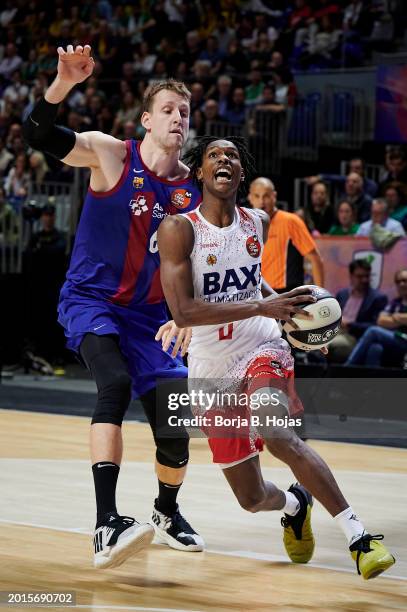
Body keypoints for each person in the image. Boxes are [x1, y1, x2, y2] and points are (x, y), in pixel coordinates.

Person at [157, 136, 395, 580]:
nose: (224, 159)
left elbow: (253, 282)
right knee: (250, 498)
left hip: (261, 344)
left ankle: (358, 537)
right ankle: (294, 503)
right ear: (201, 173)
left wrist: (289, 312)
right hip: (210, 368)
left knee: (277, 432)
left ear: (240, 175)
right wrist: (262, 304)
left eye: (232, 156)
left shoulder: (258, 222)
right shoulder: (178, 229)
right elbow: (184, 311)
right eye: (214, 155)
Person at [22, 44, 204, 569]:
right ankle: (105, 524)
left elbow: (197, 264)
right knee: (115, 385)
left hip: (152, 319)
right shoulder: (111, 154)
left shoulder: (190, 190)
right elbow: (37, 135)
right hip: (92, 300)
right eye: (168, 110)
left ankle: (166, 512)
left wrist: (184, 313)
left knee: (175, 430)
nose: (177, 118)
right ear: (146, 119)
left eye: (184, 112)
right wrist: (62, 84)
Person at [248, 177, 324, 292]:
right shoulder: (247, 225)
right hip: (259, 295)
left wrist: (321, 294)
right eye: (257, 196)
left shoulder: (291, 221)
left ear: (274, 196)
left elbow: (315, 259)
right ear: (250, 198)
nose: (262, 201)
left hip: (287, 293)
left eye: (266, 196)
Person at [346, 267, 407, 367]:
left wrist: (395, 317)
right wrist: (402, 319)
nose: (401, 284)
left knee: (373, 331)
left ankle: (346, 368)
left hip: (404, 340)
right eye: (398, 281)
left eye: (405, 281)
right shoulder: (395, 303)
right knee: (375, 348)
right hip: (395, 338)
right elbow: (381, 321)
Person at [329, 260, 387, 363]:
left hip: (356, 337)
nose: (364, 280)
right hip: (335, 331)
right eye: (360, 276)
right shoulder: (342, 294)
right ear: (351, 276)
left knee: (327, 345)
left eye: (367, 276)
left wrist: (350, 325)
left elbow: (376, 326)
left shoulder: (378, 298)